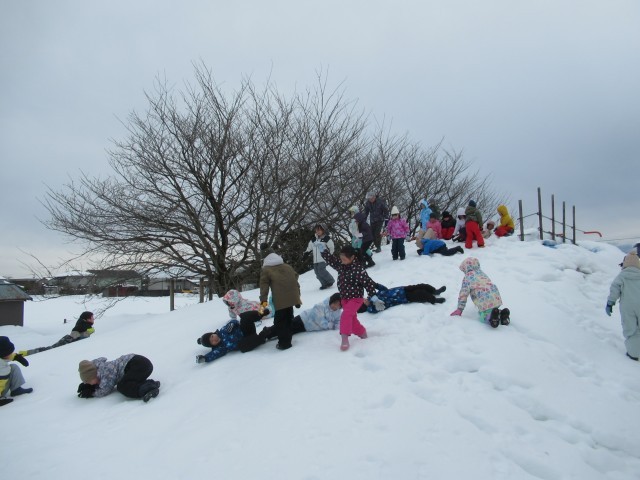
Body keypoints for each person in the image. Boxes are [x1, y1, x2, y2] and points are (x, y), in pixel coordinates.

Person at [321, 244, 378, 351]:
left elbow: (368, 282)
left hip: (356, 299)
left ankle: (344, 339)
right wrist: (323, 251)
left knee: (345, 315)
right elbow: (332, 260)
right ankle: (362, 333)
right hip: (345, 298)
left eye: (344, 259)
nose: (342, 261)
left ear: (352, 257)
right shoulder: (341, 265)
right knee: (352, 319)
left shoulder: (358, 269)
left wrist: (373, 295)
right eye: (341, 259)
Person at [450, 257, 510, 328]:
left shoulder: (467, 278)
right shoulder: (482, 273)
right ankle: (502, 315)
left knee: (483, 316)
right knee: (493, 310)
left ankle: (493, 319)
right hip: (495, 296)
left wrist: (459, 309)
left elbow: (463, 294)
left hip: (484, 300)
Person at [259, 252, 302, 350]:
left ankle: (284, 344)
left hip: (280, 300)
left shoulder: (266, 270)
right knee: (289, 318)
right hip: (292, 298)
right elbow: (295, 279)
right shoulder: (287, 266)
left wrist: (262, 306)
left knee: (280, 322)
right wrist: (297, 298)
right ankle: (287, 337)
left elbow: (264, 289)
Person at [196, 308, 271, 363]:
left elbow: (234, 321)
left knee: (243, 316)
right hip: (247, 340)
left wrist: (232, 324)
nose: (214, 339)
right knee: (242, 347)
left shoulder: (223, 330)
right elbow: (214, 354)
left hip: (246, 330)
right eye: (212, 342)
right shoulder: (220, 347)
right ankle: (263, 335)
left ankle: (260, 313)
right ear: (213, 345)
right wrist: (205, 358)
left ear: (213, 333)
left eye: (212, 337)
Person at [76, 354, 160, 402]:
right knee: (128, 381)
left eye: (89, 381)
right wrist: (90, 385)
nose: (89, 384)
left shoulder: (106, 373)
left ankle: (148, 388)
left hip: (138, 365)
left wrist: (92, 393)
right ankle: (147, 384)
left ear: (93, 375)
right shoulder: (97, 367)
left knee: (122, 386)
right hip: (137, 361)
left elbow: (105, 390)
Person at [606, 251, 640, 361]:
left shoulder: (622, 276)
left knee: (631, 329)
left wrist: (610, 303)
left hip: (627, 307)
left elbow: (615, 290)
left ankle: (634, 353)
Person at [262, 293, 342, 339]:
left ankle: (270, 333)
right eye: (335, 303)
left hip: (307, 327)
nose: (336, 306)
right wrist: (331, 325)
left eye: (339, 305)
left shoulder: (338, 312)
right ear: (331, 301)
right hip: (303, 319)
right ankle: (267, 332)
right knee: (286, 327)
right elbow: (320, 321)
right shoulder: (321, 306)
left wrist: (336, 326)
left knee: (289, 332)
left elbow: (339, 322)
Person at [19, 311, 96, 356]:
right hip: (67, 341)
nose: (93, 318)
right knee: (48, 350)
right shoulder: (82, 326)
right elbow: (77, 338)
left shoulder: (82, 325)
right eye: (92, 317)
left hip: (67, 339)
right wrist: (88, 332)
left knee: (48, 349)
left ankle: (26, 353)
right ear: (87, 319)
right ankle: (26, 353)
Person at [358, 283, 447, 314]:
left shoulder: (372, 297)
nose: (365, 299)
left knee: (421, 286)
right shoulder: (373, 308)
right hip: (403, 297)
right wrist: (371, 304)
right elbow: (382, 306)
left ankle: (435, 291)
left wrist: (376, 285)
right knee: (420, 293)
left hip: (402, 289)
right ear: (364, 306)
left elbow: (384, 290)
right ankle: (434, 300)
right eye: (364, 301)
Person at [0, 336, 32, 407]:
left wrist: (18, 357)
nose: (11, 354)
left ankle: (16, 389)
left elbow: (10, 356)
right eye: (9, 353)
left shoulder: (3, 356)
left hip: (2, 386)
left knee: (14, 367)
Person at [304, 224, 335, 290]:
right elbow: (309, 247)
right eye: (317, 230)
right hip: (315, 260)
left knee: (321, 270)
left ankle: (330, 281)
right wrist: (306, 253)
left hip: (323, 258)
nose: (318, 231)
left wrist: (330, 255)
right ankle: (324, 284)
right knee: (317, 272)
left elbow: (331, 247)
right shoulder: (313, 239)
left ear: (323, 230)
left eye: (319, 230)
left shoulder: (326, 238)